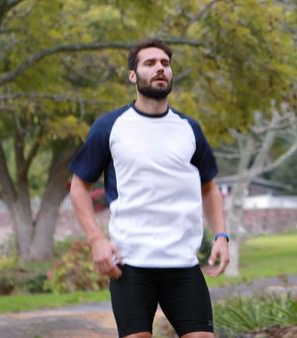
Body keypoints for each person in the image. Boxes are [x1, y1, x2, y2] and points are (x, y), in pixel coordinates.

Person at [68, 39, 229, 338]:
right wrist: (96, 240)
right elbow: (79, 186)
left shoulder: (189, 128)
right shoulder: (110, 126)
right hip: (131, 265)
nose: (160, 69)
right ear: (133, 75)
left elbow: (209, 186)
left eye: (165, 64)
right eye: (150, 63)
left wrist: (220, 234)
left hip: (182, 263)